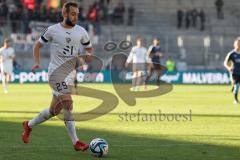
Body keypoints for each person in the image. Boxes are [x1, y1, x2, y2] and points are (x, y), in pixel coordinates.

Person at [22, 2, 93, 151]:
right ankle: (76, 142)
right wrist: (36, 62)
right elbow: (37, 45)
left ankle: (28, 125)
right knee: (68, 103)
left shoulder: (81, 31)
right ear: (65, 13)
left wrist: (86, 58)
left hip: (69, 75)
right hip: (55, 74)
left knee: (54, 111)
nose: (76, 17)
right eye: (73, 14)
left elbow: (89, 48)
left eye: (77, 14)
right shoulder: (53, 30)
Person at [224, 38, 240, 104]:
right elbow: (225, 62)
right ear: (234, 45)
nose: (238, 45)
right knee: (237, 86)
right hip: (235, 73)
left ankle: (233, 87)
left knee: (237, 86)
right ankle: (235, 100)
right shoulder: (232, 54)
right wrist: (229, 68)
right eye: (237, 44)